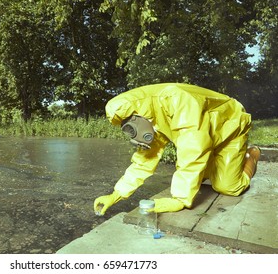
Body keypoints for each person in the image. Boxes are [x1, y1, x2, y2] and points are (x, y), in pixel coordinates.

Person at [94, 83, 261, 215]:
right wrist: (115, 195)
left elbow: (194, 149)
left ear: (136, 112)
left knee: (228, 187)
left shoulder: (178, 100)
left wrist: (180, 199)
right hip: (207, 136)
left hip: (230, 127)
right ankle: (215, 165)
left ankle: (252, 154)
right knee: (201, 177)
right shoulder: (152, 117)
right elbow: (144, 161)